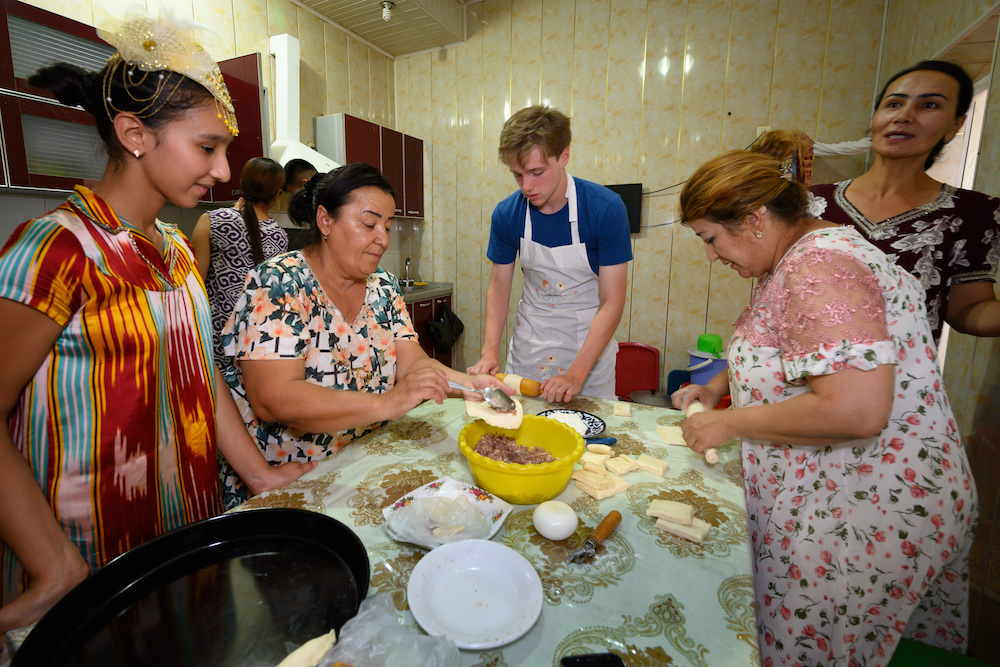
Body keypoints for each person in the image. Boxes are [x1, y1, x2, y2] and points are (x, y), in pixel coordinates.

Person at [0, 11, 312, 633]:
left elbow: (200, 375)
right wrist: (53, 566)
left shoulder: (173, 251)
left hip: (181, 535)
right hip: (88, 563)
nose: (224, 171)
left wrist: (257, 474)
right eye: (207, 147)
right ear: (135, 134)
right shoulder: (56, 250)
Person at [672, 148, 977, 665]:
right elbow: (792, 341)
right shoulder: (795, 256)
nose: (711, 255)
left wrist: (727, 422)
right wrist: (718, 383)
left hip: (870, 508)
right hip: (848, 493)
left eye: (710, 238)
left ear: (753, 219)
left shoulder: (820, 266)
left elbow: (855, 411)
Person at [218, 163, 512, 508]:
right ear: (325, 221)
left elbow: (411, 361)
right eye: (369, 224)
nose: (384, 239)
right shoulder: (279, 284)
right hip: (293, 473)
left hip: (360, 460)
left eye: (387, 227)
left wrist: (467, 385)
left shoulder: (383, 286)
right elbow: (273, 398)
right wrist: (386, 403)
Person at [808, 60, 1000, 345]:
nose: (904, 116)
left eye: (929, 105)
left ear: (955, 124)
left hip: (902, 384)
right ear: (875, 118)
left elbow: (966, 308)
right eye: (894, 104)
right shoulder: (811, 201)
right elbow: (770, 305)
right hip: (801, 381)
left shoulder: (972, 212)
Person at [467, 105, 631, 402]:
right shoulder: (507, 214)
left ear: (563, 156)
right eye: (517, 175)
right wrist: (489, 351)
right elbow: (499, 286)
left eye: (536, 172)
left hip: (587, 354)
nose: (526, 186)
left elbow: (612, 302)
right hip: (531, 346)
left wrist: (576, 374)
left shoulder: (605, 209)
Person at [191, 157, 289, 365]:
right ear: (277, 196)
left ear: (241, 186)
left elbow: (193, 284)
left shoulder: (213, 220)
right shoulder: (280, 236)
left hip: (214, 333)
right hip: (256, 336)